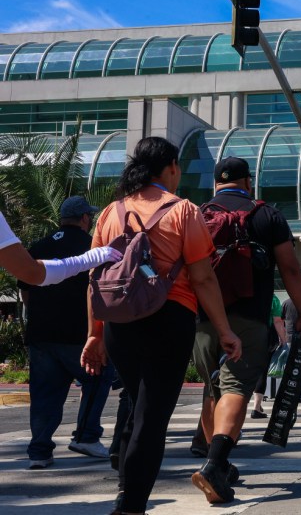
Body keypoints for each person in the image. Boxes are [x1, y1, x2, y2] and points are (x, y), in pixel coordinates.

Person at [81, 137, 242, 515]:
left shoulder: (110, 212)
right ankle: (131, 504)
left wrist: (94, 334)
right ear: (170, 166)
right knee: (152, 417)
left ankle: (126, 484)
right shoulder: (184, 210)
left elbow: (95, 279)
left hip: (119, 323)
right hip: (168, 318)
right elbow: (203, 278)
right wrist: (224, 331)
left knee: (138, 404)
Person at [190, 156, 301, 504]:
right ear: (248, 181)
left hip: (202, 318)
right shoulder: (267, 215)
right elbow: (289, 268)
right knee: (237, 387)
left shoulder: (198, 214)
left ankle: (220, 464)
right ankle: (215, 464)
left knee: (214, 389)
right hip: (247, 316)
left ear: (216, 184)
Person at [19, 196, 114, 469]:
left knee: (44, 392)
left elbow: (25, 290)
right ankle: (86, 435)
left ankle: (40, 451)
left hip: (41, 334)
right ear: (85, 218)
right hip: (77, 334)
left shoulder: (40, 245)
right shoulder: (91, 247)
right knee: (100, 377)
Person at [0, 210, 119, 286]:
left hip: (40, 322)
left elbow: (25, 285)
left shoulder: (40, 245)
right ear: (85, 218)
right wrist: (87, 259)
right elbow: (31, 272)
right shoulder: (89, 243)